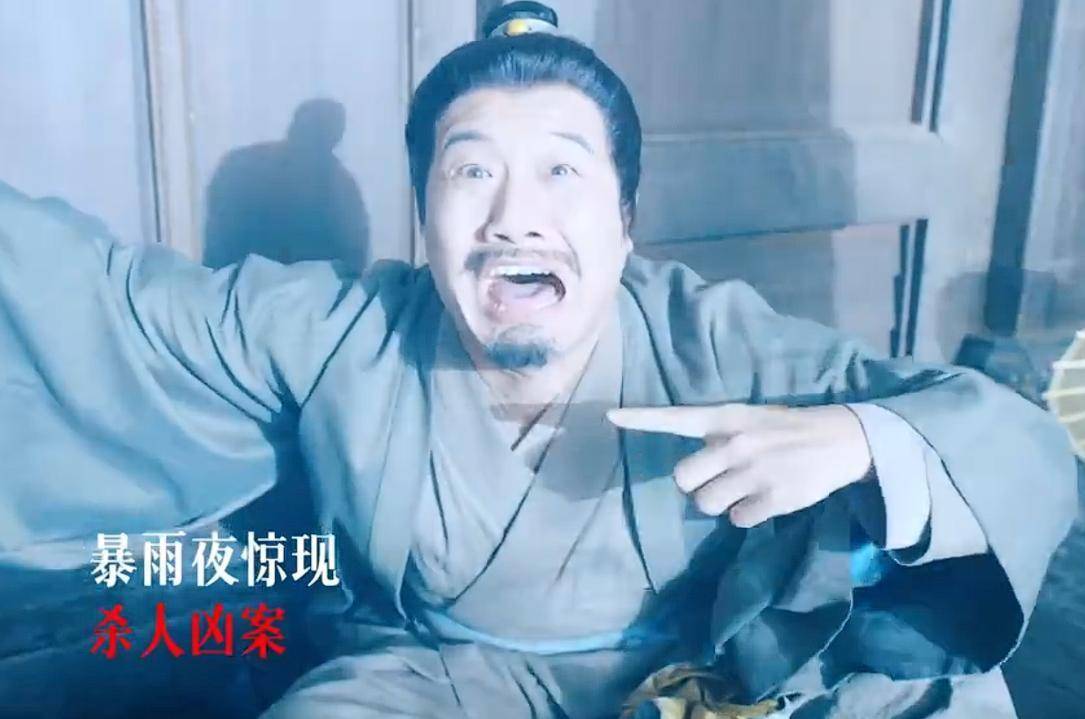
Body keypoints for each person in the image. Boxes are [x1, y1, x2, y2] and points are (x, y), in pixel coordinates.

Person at [0, 5, 1076, 717]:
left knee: (946, 694)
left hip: (702, 662)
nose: (514, 215)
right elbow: (102, 304)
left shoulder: (709, 334)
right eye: (471, 172)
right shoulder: (340, 327)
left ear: (623, 219)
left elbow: (1002, 431)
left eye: (562, 172)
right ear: (424, 216)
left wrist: (856, 438)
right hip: (434, 675)